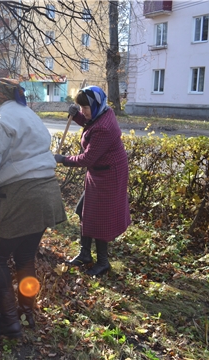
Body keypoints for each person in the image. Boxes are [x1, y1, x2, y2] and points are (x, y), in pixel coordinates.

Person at [0, 78, 67, 339]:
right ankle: (26, 310)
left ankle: (9, 321)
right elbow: (14, 159)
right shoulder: (28, 114)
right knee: (25, 256)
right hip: (46, 192)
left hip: (22, 197)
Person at [55, 86, 131, 276]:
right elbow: (90, 123)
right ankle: (85, 254)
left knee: (100, 218)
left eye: (85, 108)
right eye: (80, 107)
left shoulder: (104, 128)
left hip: (109, 175)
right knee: (83, 210)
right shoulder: (103, 112)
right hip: (100, 172)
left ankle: (103, 262)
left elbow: (88, 159)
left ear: (96, 104)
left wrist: (62, 159)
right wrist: (79, 117)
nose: (83, 111)